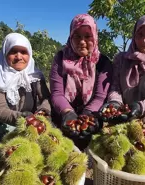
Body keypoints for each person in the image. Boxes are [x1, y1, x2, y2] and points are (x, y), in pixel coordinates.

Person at [0, 32, 51, 148]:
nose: (19, 57)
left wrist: (44, 111)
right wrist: (22, 118)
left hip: (28, 127)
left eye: (24, 52)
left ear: (29, 54)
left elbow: (46, 98)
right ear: (5, 53)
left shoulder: (35, 75)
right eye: (13, 52)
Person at [50, 14, 112, 150]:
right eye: (77, 36)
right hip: (63, 117)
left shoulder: (103, 62)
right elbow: (56, 93)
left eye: (87, 36)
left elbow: (100, 96)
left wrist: (87, 115)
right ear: (71, 37)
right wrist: (68, 113)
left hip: (91, 118)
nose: (82, 41)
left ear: (94, 37)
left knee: (86, 155)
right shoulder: (61, 59)